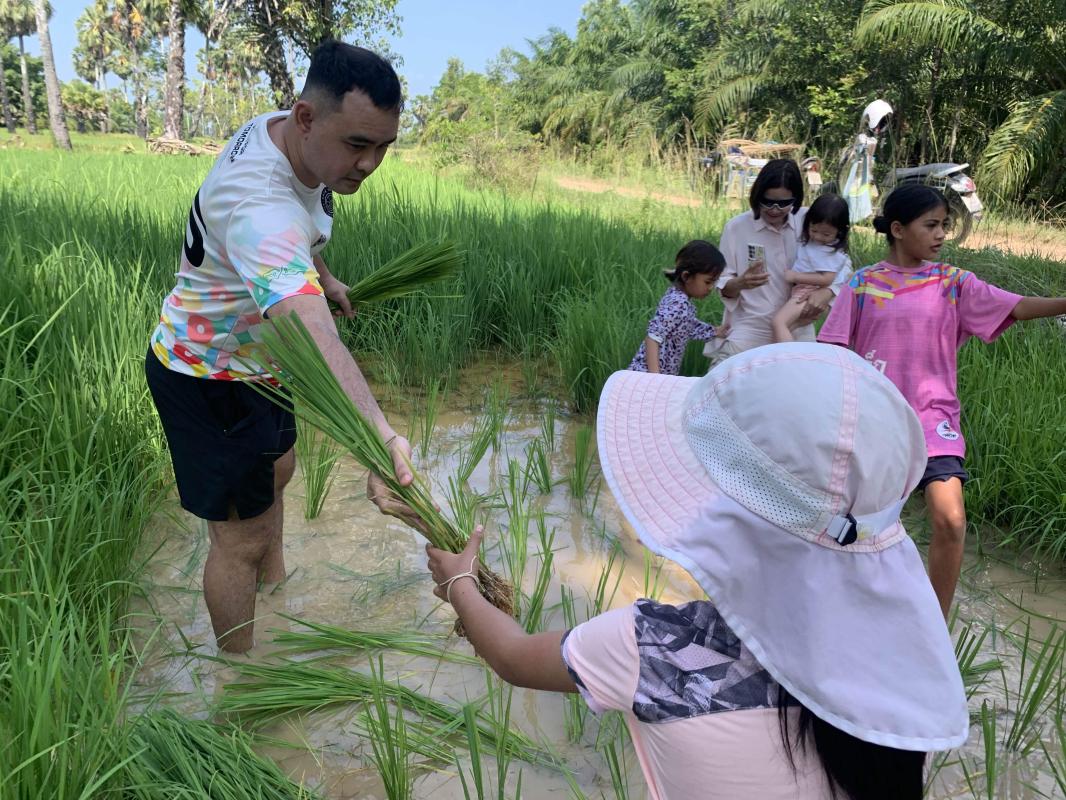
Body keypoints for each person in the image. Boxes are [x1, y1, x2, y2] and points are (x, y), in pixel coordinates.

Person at [426, 343, 969, 800]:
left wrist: (460, 583)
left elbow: (512, 657)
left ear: (728, 524)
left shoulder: (661, 648)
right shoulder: (904, 672)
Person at [145, 41, 415, 653]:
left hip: (262, 362)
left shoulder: (286, 137)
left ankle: (276, 594)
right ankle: (240, 676)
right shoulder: (258, 205)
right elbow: (314, 333)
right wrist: (382, 438)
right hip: (209, 374)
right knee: (238, 539)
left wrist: (325, 275)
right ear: (307, 118)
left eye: (383, 146)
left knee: (279, 472)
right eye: (358, 144)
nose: (369, 164)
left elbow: (301, 230)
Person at [818, 184, 1066, 616]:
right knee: (853, 527)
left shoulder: (953, 283)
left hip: (935, 420)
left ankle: (935, 624)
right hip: (876, 422)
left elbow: (1017, 306)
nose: (941, 234)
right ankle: (846, 608)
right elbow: (833, 352)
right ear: (898, 229)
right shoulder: (863, 284)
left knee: (951, 521)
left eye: (944, 225)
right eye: (931, 225)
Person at [704, 159, 838, 367]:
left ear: (796, 198)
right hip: (750, 328)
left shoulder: (810, 222)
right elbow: (722, 283)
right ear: (757, 195)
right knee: (723, 380)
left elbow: (841, 265)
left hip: (798, 327)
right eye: (767, 202)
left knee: (800, 383)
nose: (775, 209)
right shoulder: (737, 228)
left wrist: (827, 293)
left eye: (784, 203)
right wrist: (740, 283)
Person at [629, 240, 731, 374]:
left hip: (660, 375)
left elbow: (686, 326)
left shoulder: (681, 300)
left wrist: (714, 331)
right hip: (647, 375)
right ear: (686, 276)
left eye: (714, 282)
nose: (711, 287)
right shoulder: (677, 303)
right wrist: (655, 377)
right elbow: (652, 338)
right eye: (708, 282)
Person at [771, 193, 852, 343]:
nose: (818, 237)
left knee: (779, 323)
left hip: (808, 292)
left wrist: (795, 277)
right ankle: (788, 350)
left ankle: (788, 354)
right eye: (814, 230)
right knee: (788, 327)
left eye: (826, 234)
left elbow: (827, 279)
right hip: (805, 291)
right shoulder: (819, 245)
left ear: (840, 232)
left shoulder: (829, 251)